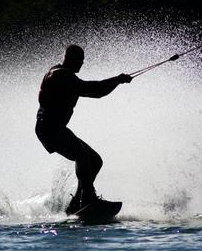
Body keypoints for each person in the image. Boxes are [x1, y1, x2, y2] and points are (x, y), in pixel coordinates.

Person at [35, 44, 132, 215]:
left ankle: (77, 203)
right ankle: (87, 198)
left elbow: (96, 91)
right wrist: (117, 80)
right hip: (49, 127)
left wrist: (117, 81)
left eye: (83, 60)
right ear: (70, 59)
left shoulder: (63, 74)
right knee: (82, 155)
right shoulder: (61, 74)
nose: (82, 64)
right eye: (80, 60)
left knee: (95, 160)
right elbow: (94, 90)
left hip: (52, 127)